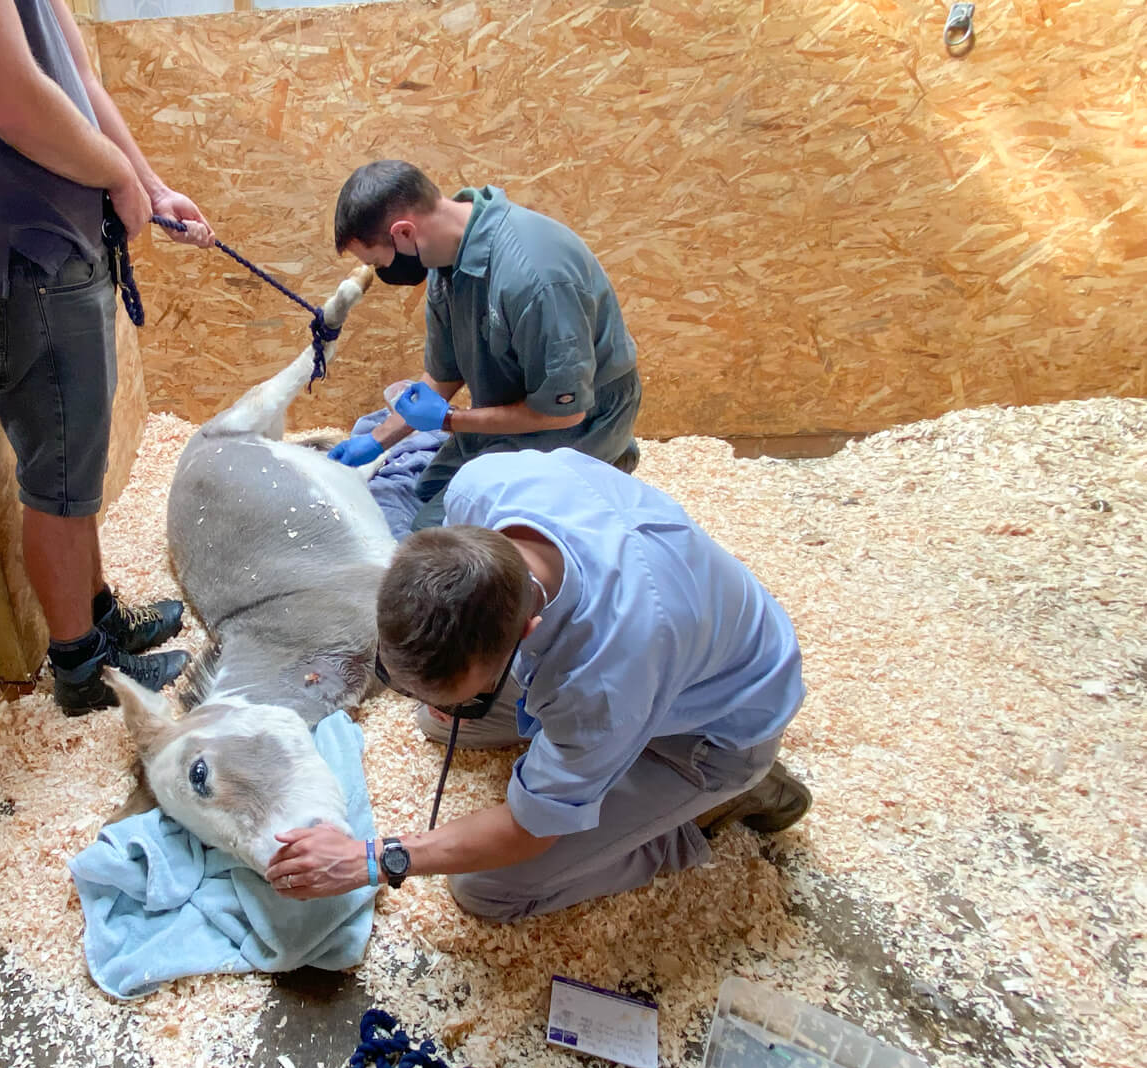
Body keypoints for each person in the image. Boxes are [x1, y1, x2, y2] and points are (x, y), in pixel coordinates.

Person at [266, 448, 811, 922]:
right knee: (439, 724)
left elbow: (529, 832)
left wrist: (371, 859)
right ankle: (583, 766)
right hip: (664, 652)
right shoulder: (484, 487)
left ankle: (702, 813)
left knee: (486, 889)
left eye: (472, 686)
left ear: (528, 632)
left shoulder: (600, 682)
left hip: (709, 730)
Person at [0, 0, 216, 715]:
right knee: (58, 480)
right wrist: (120, 177)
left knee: (76, 464)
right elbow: (14, 103)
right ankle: (82, 667)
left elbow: (78, 77)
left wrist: (149, 187)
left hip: (63, 241)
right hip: (23, 253)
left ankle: (97, 617)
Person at [326, 160, 642, 533]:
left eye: (378, 261)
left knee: (435, 534)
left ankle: (608, 461)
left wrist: (449, 421)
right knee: (426, 489)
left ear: (404, 232)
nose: (382, 272)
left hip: (584, 419)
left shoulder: (533, 277)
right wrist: (376, 442)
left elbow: (565, 412)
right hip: (511, 403)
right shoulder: (444, 262)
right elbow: (444, 374)